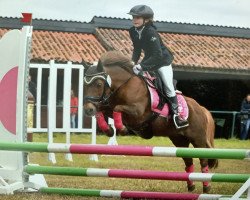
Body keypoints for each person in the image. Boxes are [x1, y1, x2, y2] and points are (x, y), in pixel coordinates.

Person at [128, 5, 189, 129]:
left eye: (138, 17)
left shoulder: (151, 31)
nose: (134, 19)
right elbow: (137, 50)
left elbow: (157, 55)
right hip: (149, 60)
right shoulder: (132, 31)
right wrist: (132, 63)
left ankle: (177, 115)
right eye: (133, 17)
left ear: (146, 19)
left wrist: (141, 66)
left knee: (168, 87)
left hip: (162, 61)